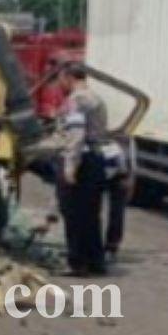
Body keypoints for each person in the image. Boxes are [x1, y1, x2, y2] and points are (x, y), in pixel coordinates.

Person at [55, 63, 109, 276]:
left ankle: (77, 263)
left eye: (60, 79)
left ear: (68, 76)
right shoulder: (96, 98)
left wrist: (70, 166)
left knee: (73, 214)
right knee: (91, 215)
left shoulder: (76, 100)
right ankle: (96, 261)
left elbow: (76, 135)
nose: (59, 84)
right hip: (96, 159)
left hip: (82, 162)